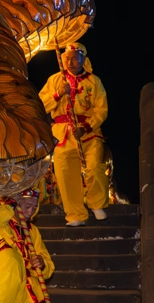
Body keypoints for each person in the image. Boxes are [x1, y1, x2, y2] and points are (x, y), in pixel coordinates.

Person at [41, 43, 109, 225]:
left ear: (83, 60)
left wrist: (87, 127)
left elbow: (101, 110)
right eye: (66, 58)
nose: (69, 62)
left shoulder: (94, 82)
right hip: (62, 133)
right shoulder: (55, 80)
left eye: (74, 58)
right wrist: (57, 94)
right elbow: (40, 105)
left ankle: (96, 203)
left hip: (89, 133)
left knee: (94, 167)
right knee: (65, 174)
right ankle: (76, 214)